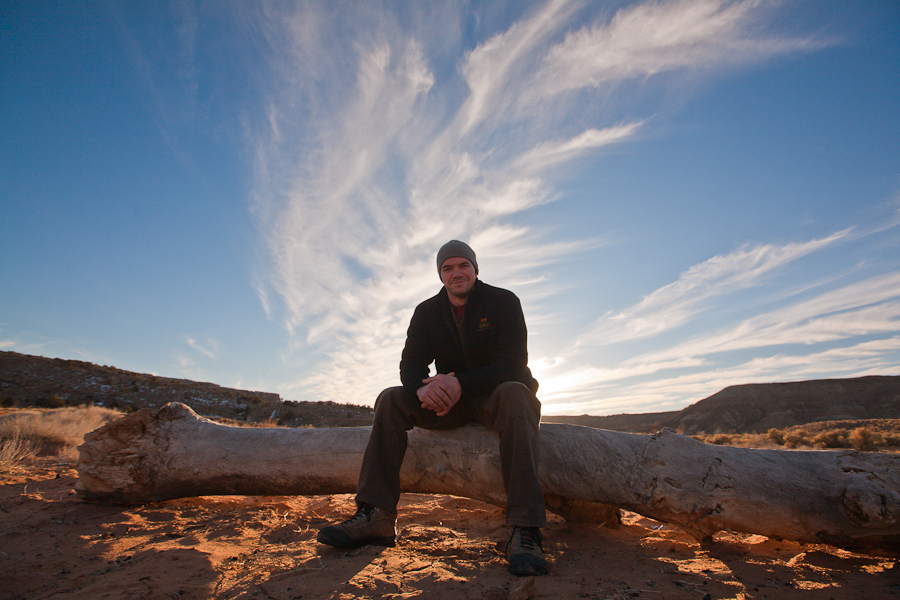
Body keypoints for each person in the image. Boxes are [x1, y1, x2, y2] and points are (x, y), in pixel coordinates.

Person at [317, 240, 549, 576]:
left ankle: (524, 530)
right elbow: (409, 367)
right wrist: (423, 389)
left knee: (516, 392)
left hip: (494, 399)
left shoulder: (503, 301)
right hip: (447, 406)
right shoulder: (427, 312)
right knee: (390, 398)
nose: (456, 273)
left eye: (463, 265)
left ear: (475, 269)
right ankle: (376, 515)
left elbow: (513, 364)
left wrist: (460, 384)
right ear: (440, 275)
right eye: (447, 268)